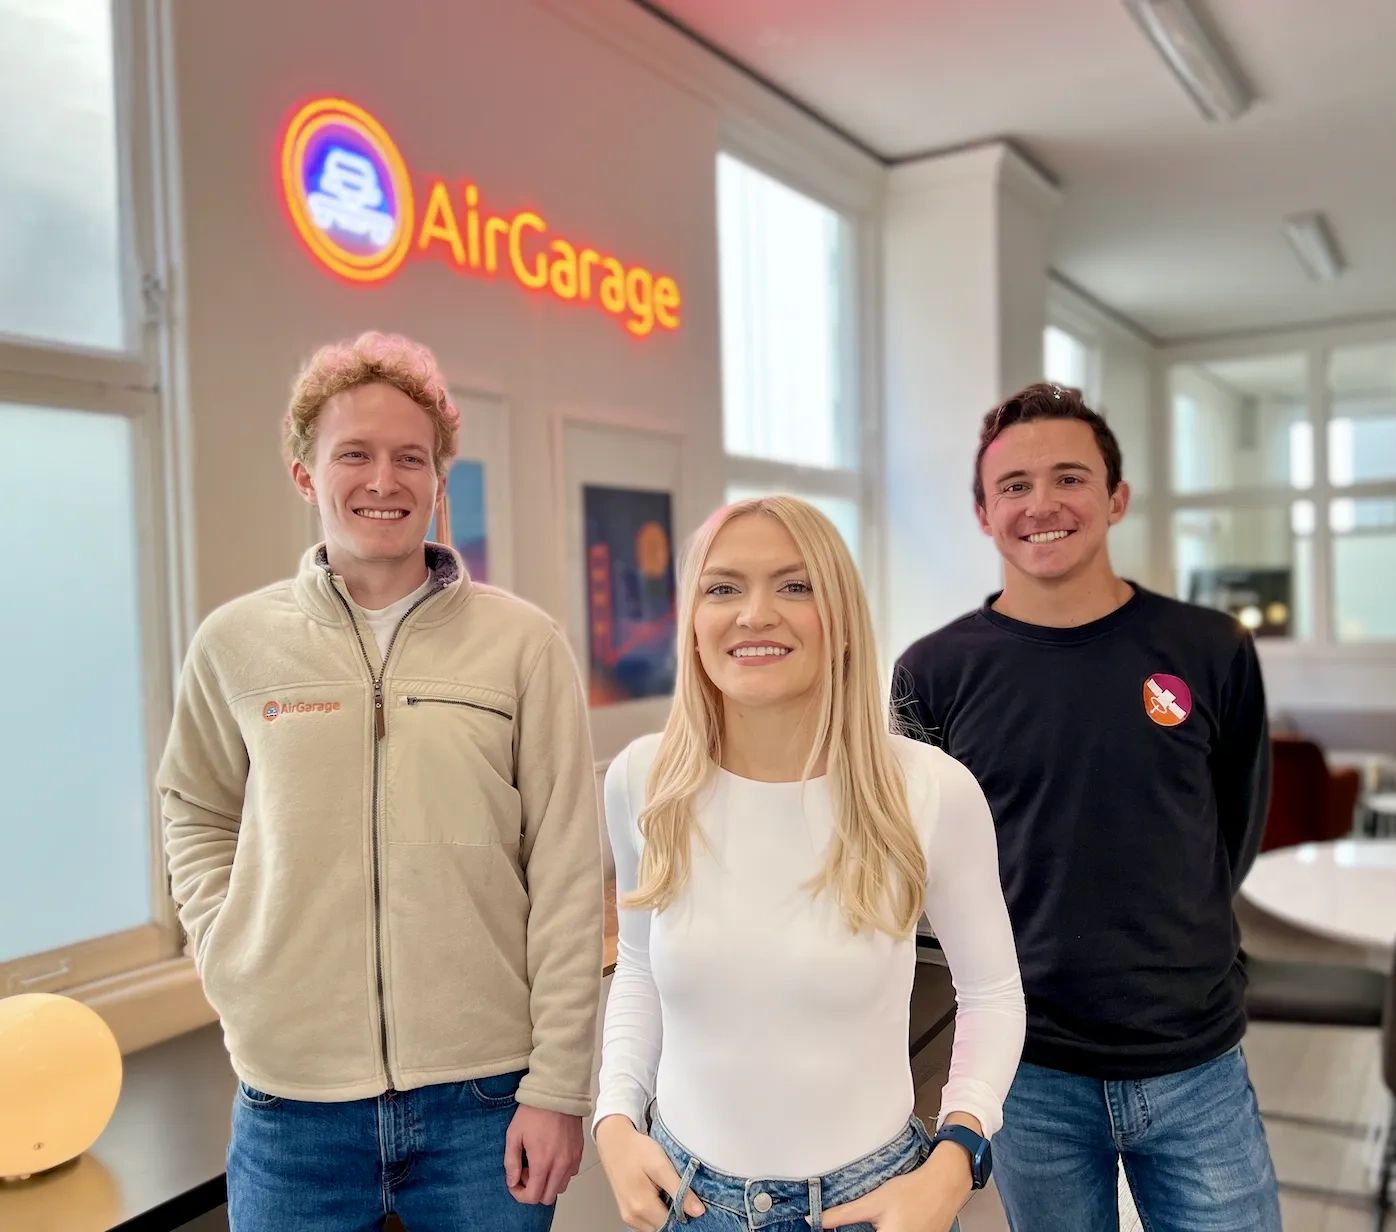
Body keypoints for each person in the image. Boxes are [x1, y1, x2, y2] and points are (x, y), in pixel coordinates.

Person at [158, 331, 603, 1231]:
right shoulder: (234, 644)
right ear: (305, 475)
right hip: (292, 1106)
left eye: (410, 457)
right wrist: (227, 949)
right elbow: (195, 808)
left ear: (439, 479)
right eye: (353, 454)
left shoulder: (523, 646)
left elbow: (566, 869)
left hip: (484, 1100)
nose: (383, 480)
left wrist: (559, 1085)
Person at [893, 382, 1280, 1231]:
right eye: (1015, 486)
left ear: (1116, 498)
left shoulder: (1208, 649)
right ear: (983, 513)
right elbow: (928, 860)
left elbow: (1233, 830)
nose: (1043, 505)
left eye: (1069, 478)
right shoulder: (934, 673)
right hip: (1028, 1068)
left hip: (1195, 1060)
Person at [594, 495, 1025, 1232]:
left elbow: (991, 994)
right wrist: (613, 1121)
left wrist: (956, 1162)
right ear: (692, 620)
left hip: (873, 1202)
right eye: (723, 587)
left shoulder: (928, 792)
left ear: (843, 621)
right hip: (689, 1203)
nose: (755, 614)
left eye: (795, 586)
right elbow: (638, 970)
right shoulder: (643, 780)